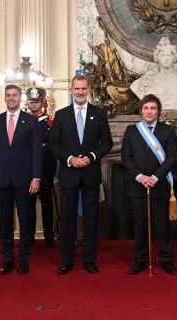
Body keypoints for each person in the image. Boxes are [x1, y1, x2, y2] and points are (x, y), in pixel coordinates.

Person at [49, 75, 113, 275]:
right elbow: (53, 145)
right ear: (71, 90)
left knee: (91, 219)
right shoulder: (61, 115)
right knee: (67, 219)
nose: (80, 92)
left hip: (90, 173)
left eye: (83, 88)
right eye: (76, 88)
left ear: (89, 90)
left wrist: (91, 157)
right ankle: (67, 260)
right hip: (68, 174)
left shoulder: (99, 114)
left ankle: (89, 260)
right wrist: (70, 159)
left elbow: (107, 143)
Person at [0, 84, 43, 275]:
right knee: (6, 222)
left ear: (20, 98)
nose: (11, 98)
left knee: (25, 221)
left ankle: (24, 259)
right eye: (8, 95)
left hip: (24, 180)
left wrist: (36, 178)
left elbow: (37, 152)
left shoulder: (31, 122)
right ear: (5, 98)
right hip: (0, 180)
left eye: (14, 95)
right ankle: (8, 259)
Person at [121, 94, 177, 274]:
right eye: (146, 108)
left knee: (163, 226)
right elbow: (126, 157)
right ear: (141, 110)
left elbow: (171, 158)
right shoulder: (131, 130)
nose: (149, 111)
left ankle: (167, 259)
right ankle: (140, 259)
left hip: (159, 186)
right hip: (138, 186)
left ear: (158, 112)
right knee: (139, 226)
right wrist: (140, 176)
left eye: (153, 108)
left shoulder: (168, 131)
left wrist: (155, 177)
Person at [26, 86, 58, 247]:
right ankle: (29, 236)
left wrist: (51, 171)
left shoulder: (50, 122)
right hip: (26, 170)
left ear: (42, 102)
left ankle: (49, 237)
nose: (33, 104)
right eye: (31, 101)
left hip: (45, 169)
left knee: (47, 204)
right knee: (28, 205)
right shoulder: (23, 121)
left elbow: (53, 147)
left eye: (36, 101)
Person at [130, 37, 177, 110]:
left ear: (174, 58)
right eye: (163, 55)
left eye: (169, 55)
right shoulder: (144, 82)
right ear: (158, 58)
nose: (166, 58)